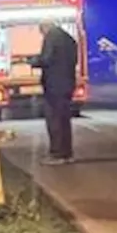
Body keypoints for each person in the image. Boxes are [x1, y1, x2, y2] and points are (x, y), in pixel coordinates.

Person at [34, 18, 79, 162]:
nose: (42, 34)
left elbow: (46, 59)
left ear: (45, 27)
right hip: (68, 83)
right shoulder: (69, 39)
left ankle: (57, 154)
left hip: (54, 85)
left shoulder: (51, 37)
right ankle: (67, 153)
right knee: (64, 119)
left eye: (41, 31)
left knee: (54, 120)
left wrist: (32, 61)